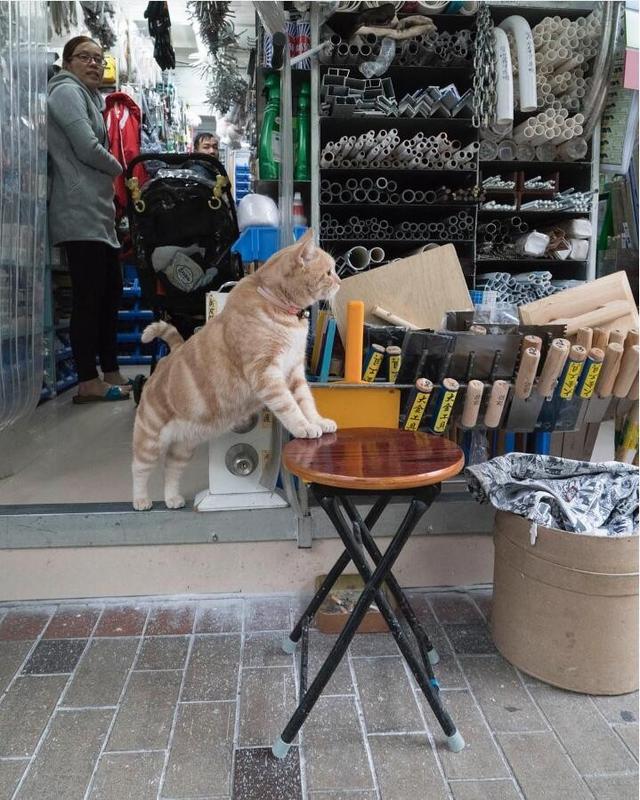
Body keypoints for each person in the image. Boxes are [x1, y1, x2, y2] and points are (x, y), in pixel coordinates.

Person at [47, 36, 131, 403]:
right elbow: (85, 146)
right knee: (89, 297)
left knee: (109, 292)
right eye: (85, 57)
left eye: (99, 58)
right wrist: (119, 170)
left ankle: (109, 370)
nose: (94, 64)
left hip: (96, 213)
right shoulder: (65, 93)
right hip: (78, 211)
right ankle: (87, 380)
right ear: (68, 63)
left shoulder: (90, 98)